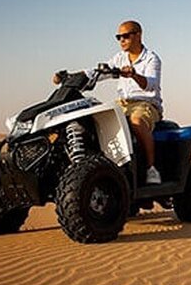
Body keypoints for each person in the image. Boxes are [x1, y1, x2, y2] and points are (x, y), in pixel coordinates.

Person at [53, 20, 163, 184]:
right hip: (122, 103)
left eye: (125, 36)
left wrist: (133, 75)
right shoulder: (119, 58)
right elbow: (99, 72)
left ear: (138, 35)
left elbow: (150, 84)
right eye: (118, 37)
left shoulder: (151, 59)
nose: (121, 40)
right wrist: (70, 77)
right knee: (96, 118)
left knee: (136, 121)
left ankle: (151, 168)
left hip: (145, 103)